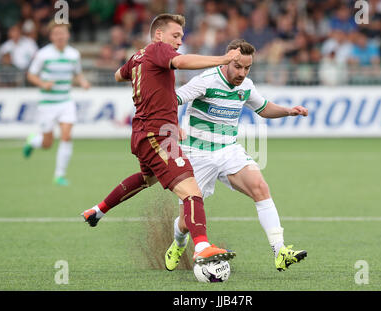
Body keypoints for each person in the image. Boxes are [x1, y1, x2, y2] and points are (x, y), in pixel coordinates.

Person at [81, 13, 242, 265]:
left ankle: (98, 210)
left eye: (181, 37)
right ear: (158, 34)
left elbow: (117, 75)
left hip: (143, 133)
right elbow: (183, 61)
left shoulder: (137, 57)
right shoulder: (158, 49)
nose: (179, 41)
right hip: (157, 135)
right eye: (175, 35)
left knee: (147, 178)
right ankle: (201, 246)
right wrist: (222, 59)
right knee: (192, 191)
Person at [164, 39, 308, 272]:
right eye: (238, 66)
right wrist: (172, 123)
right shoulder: (206, 81)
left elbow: (263, 108)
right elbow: (172, 99)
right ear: (227, 61)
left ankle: (280, 251)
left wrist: (288, 111)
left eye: (247, 68)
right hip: (197, 154)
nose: (242, 72)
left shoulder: (246, 86)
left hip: (229, 150)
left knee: (260, 187)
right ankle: (179, 244)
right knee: (185, 222)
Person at [23, 21, 91, 186]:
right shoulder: (43, 54)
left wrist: (83, 82)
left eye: (63, 33)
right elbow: (30, 75)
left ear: (68, 35)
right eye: (56, 33)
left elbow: (77, 73)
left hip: (65, 101)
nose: (60, 36)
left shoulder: (73, 54)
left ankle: (59, 175)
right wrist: (43, 84)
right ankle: (33, 141)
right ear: (51, 36)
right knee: (47, 144)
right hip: (47, 104)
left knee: (66, 136)